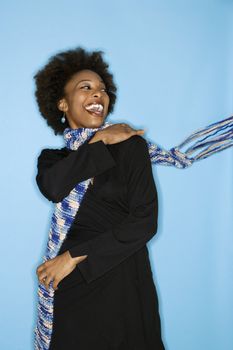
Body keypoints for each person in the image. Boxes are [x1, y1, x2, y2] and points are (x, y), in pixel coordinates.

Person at [34, 47, 166, 350]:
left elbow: (144, 223)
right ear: (63, 103)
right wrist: (99, 140)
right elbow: (54, 188)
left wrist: (72, 257)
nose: (98, 95)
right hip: (71, 290)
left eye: (102, 89)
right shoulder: (54, 160)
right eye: (86, 88)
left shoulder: (130, 149)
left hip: (120, 281)